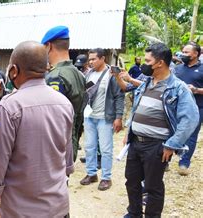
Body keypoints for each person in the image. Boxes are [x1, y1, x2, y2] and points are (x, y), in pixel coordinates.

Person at [0, 41, 74, 217]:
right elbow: (67, 161)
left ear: (14, 70)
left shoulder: (10, 106)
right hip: (58, 208)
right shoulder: (64, 103)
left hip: (21, 210)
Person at [124, 43, 199, 218]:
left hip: (156, 146)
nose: (144, 63)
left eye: (148, 60)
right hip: (136, 142)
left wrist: (172, 144)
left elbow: (190, 119)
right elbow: (136, 109)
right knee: (132, 182)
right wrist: (130, 131)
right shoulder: (145, 83)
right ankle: (134, 213)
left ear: (160, 63)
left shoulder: (178, 88)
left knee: (153, 186)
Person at [80, 48, 124, 191]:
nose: (91, 62)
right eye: (90, 59)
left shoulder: (112, 74)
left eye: (93, 59)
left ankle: (106, 177)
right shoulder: (88, 74)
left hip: (105, 118)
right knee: (89, 147)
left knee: (105, 149)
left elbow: (119, 96)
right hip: (89, 117)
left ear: (103, 58)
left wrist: (118, 117)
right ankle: (91, 173)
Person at [42, 25, 87, 162]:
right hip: (71, 140)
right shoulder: (77, 73)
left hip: (56, 147)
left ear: (49, 46)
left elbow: (52, 118)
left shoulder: (56, 76)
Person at [174, 41, 203, 176]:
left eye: (186, 52)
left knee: (191, 136)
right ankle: (165, 159)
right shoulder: (177, 68)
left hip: (197, 108)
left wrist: (196, 90)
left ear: (196, 54)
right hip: (176, 106)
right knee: (171, 131)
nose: (183, 54)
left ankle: (184, 163)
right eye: (183, 52)